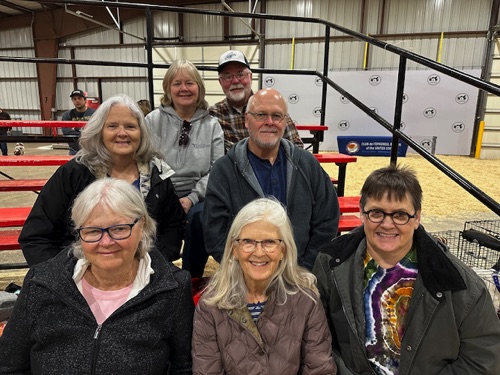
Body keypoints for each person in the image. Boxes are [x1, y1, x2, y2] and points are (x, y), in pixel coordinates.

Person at [313, 164, 500, 375]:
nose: (387, 224)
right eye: (376, 213)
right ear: (362, 213)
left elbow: (483, 358)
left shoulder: (459, 283)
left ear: (417, 217)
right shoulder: (330, 263)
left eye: (400, 215)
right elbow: (317, 338)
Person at [0, 178, 194, 374]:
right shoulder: (41, 283)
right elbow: (9, 365)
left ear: (141, 226)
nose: (106, 242)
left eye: (119, 229)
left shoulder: (173, 289)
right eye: (93, 231)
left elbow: (182, 368)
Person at [19, 94, 185, 266]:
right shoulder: (74, 173)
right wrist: (60, 279)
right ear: (100, 131)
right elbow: (36, 236)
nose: (122, 133)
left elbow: (173, 226)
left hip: (144, 271)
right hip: (79, 273)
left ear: (141, 133)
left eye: (130, 126)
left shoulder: (157, 174)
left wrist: (154, 265)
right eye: (112, 126)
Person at [192, 198, 336, 374]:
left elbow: (319, 370)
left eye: (269, 242)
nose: (259, 252)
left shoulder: (307, 301)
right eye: (248, 242)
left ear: (283, 249)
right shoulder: (210, 306)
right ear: (234, 249)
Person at [204, 88, 339, 271]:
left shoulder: (307, 164)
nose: (269, 122)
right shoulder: (224, 170)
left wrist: (306, 267)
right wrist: (245, 269)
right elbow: (215, 232)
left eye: (277, 116)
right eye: (261, 115)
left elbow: (327, 218)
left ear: (285, 122)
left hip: (300, 271)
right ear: (246, 120)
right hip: (245, 273)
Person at [145, 59, 224, 278]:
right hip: (160, 192)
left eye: (189, 83)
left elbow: (216, 169)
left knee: (201, 219)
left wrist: (192, 198)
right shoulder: (152, 121)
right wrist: (168, 197)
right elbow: (146, 161)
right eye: (177, 83)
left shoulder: (212, 125)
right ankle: (154, 276)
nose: (184, 88)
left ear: (199, 88)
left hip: (199, 195)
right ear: (168, 89)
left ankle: (191, 278)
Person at [209, 49, 304, 153]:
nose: (235, 81)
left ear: (250, 77)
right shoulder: (213, 115)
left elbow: (296, 148)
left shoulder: (272, 105)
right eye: (228, 76)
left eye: (240, 74)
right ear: (220, 82)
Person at [62, 89, 96, 155]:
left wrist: (75, 128)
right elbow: (66, 132)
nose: (77, 101)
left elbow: (94, 131)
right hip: (74, 150)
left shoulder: (94, 113)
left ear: (85, 100)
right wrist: (85, 131)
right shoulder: (67, 115)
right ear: (72, 101)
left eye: (79, 98)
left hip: (90, 150)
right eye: (74, 99)